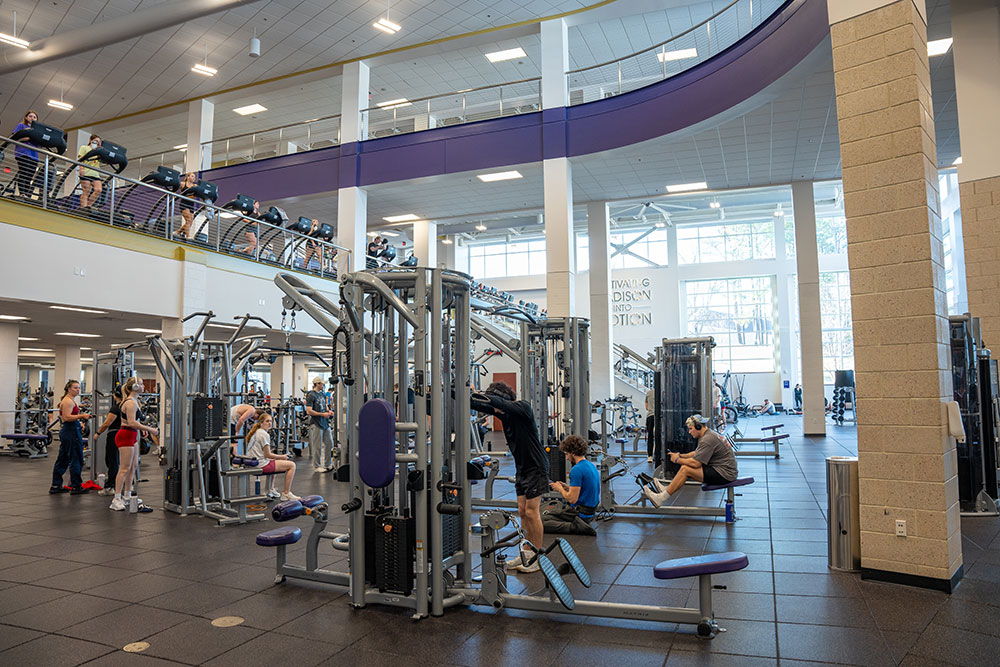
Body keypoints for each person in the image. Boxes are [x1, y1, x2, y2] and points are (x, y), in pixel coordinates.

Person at [470, 381, 547, 573]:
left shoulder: (522, 408)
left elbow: (498, 403)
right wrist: (456, 391)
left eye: (496, 402)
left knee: (531, 512)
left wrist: (479, 394)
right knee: (521, 511)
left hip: (536, 466)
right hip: (522, 467)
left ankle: (538, 558)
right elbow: (478, 404)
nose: (494, 409)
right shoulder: (504, 414)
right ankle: (527, 553)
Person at [643, 414, 738, 508]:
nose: (689, 432)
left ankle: (661, 498)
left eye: (691, 428)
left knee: (686, 469)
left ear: (698, 426)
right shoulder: (708, 435)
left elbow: (696, 463)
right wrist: (680, 455)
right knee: (685, 467)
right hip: (723, 470)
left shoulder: (707, 440)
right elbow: (696, 453)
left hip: (725, 474)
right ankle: (667, 489)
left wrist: (677, 460)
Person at [110, 377, 159, 512]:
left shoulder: (135, 401)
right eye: (142, 384)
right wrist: (150, 430)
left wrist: (142, 429)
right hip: (125, 435)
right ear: (135, 387)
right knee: (124, 468)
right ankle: (116, 499)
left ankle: (127, 495)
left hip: (132, 435)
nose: (144, 387)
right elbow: (131, 422)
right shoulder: (130, 403)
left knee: (133, 467)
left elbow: (135, 421)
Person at [49, 379, 92, 494]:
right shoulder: (68, 401)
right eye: (75, 388)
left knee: (63, 459)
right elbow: (67, 418)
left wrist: (79, 423)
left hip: (71, 429)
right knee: (76, 458)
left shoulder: (69, 400)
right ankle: (76, 485)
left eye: (78, 388)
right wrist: (81, 416)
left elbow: (69, 417)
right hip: (70, 431)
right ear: (69, 389)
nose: (78, 390)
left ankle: (56, 485)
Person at [244, 412, 299, 501]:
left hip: (254, 462)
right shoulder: (264, 434)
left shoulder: (257, 432)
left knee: (273, 461)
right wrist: (283, 457)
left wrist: (277, 458)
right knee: (292, 465)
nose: (269, 423)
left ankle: (270, 489)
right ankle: (286, 493)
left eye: (271, 421)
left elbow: (267, 455)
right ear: (261, 423)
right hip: (259, 464)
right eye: (267, 421)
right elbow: (267, 455)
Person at [549, 434, 600, 522]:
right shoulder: (590, 465)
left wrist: (560, 489)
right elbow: (585, 490)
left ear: (573, 453)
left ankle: (577, 526)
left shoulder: (576, 470)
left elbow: (572, 499)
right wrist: (568, 488)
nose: (566, 458)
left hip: (580, 515)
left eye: (567, 454)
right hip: (590, 513)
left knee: (541, 518)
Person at [94, 386, 123, 496]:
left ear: (115, 395)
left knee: (112, 460)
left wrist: (98, 433)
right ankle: (126, 484)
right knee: (123, 462)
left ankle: (111, 486)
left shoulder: (115, 408)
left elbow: (107, 423)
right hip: (125, 434)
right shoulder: (127, 406)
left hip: (114, 435)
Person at [305, 377, 336, 472]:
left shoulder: (322, 394)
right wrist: (322, 414)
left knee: (329, 443)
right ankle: (317, 466)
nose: (323, 385)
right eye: (322, 384)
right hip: (316, 423)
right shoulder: (311, 395)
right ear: (317, 384)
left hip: (325, 423)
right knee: (317, 446)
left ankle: (328, 464)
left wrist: (329, 411)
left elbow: (325, 406)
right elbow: (308, 411)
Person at [12, 110, 39, 198]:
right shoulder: (21, 125)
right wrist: (27, 139)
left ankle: (27, 194)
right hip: (23, 152)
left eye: (34, 117)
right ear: (26, 117)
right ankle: (22, 193)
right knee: (24, 172)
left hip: (34, 155)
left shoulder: (36, 130)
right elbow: (14, 137)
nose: (32, 118)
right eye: (30, 116)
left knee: (30, 175)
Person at [77, 134, 103, 208]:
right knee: (86, 191)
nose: (97, 143)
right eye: (96, 141)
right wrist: (81, 169)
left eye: (99, 142)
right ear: (90, 141)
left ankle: (88, 206)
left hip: (95, 174)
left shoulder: (99, 151)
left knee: (98, 190)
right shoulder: (84, 148)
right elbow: (80, 159)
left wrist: (100, 148)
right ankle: (83, 208)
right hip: (86, 172)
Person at [175, 172, 198, 238]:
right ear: (188, 177)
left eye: (194, 177)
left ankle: (177, 232)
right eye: (192, 176)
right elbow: (175, 187)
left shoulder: (195, 186)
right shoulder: (183, 184)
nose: (194, 178)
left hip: (191, 204)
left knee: (190, 222)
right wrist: (174, 193)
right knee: (188, 220)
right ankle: (188, 236)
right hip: (184, 203)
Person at [644, 388, 656, 463]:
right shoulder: (662, 393)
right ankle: (658, 455)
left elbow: (647, 407)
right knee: (659, 437)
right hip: (659, 416)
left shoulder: (649, 393)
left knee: (650, 437)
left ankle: (650, 456)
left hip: (650, 416)